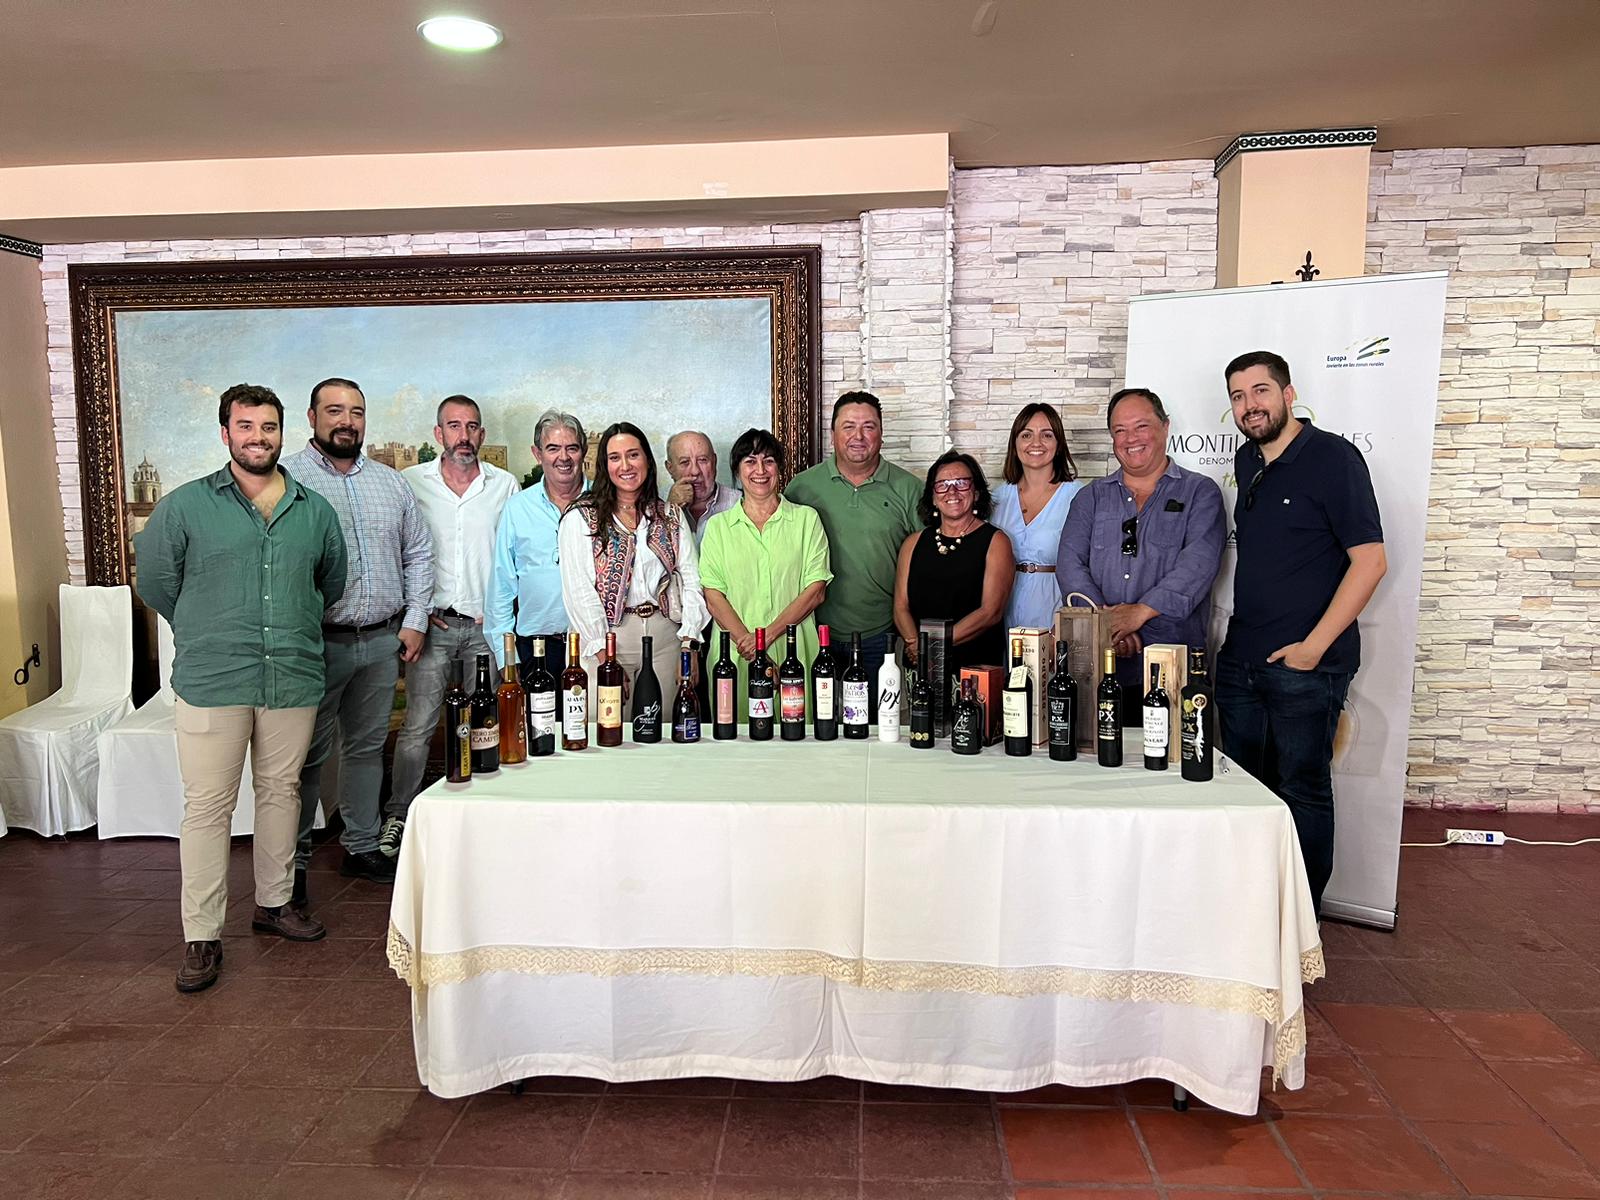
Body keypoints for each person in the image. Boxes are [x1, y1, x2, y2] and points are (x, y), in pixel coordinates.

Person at [134, 383, 347, 993]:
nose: (258, 437)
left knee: (281, 791)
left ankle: (274, 904)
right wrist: (209, 627)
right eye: (246, 426)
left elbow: (329, 583)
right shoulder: (183, 507)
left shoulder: (314, 510)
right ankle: (201, 935)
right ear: (226, 433)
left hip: (292, 675)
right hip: (213, 678)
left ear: (283, 432)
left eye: (268, 427)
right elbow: (157, 583)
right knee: (208, 807)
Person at [1217, 351, 1386, 916]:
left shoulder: (1333, 458)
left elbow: (1370, 562)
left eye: (1261, 391)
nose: (1250, 405)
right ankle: (1253, 912)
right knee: (1246, 790)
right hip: (1241, 661)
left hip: (1304, 668)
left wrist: (1312, 649)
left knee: (1303, 791)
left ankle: (1301, 925)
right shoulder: (1247, 460)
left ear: (1289, 395)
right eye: (1238, 396)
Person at [282, 377, 433, 898]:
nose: (347, 422)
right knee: (304, 757)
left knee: (367, 749)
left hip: (381, 641)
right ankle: (291, 865)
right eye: (335, 411)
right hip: (314, 645)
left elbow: (418, 552)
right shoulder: (288, 480)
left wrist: (415, 619)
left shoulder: (391, 484)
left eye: (356, 412)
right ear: (312, 417)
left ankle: (362, 844)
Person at [386, 395, 518, 855]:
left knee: (487, 721)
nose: (464, 435)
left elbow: (512, 555)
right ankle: (400, 815)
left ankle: (484, 811)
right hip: (434, 627)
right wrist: (414, 612)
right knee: (419, 726)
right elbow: (398, 551)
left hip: (487, 629)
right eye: (454, 426)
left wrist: (502, 611)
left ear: (482, 434)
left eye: (472, 426)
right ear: (438, 433)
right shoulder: (410, 483)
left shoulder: (504, 486)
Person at [1057, 388, 1226, 720]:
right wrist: (1107, 626)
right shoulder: (1091, 497)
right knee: (1098, 750)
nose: (1130, 438)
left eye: (1141, 426)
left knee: (1172, 751)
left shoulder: (1200, 493)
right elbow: (1070, 564)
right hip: (1099, 665)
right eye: (1120, 430)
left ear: (1165, 426)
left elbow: (1198, 565)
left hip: (1172, 663)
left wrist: (1140, 613)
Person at [785, 392, 921, 711]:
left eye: (868, 427)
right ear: (833, 434)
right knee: (815, 723)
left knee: (876, 726)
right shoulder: (802, 488)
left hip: (881, 633)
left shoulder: (909, 489)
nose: (858, 436)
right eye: (848, 427)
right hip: (814, 630)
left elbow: (927, 563)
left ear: (881, 434)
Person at [558, 421, 709, 697]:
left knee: (665, 721)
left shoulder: (670, 515)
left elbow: (692, 580)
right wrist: (605, 657)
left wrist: (689, 643)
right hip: (608, 639)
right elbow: (579, 591)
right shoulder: (580, 518)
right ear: (605, 466)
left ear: (647, 461)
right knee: (607, 720)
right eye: (615, 458)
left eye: (633, 455)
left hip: (666, 638)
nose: (625, 465)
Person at [699, 428, 832, 716]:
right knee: (735, 733)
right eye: (750, 461)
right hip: (734, 653)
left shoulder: (806, 520)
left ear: (779, 468)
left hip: (794, 647)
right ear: (737, 470)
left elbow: (816, 591)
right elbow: (713, 596)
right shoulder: (718, 528)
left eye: (768, 461)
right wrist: (751, 648)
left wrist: (765, 638)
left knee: (796, 731)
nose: (760, 470)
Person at [486, 409, 587, 682]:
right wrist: (507, 658)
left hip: (592, 645)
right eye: (553, 448)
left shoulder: (603, 504)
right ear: (537, 454)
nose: (563, 457)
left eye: (572, 448)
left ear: (584, 452)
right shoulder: (517, 508)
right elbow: (501, 588)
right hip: (536, 648)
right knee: (536, 713)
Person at [894, 451, 1014, 674]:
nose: (952, 491)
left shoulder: (996, 541)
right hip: (921, 664)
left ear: (976, 492)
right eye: (942, 485)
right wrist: (914, 645)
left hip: (975, 665)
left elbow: (991, 612)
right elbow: (901, 606)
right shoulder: (913, 543)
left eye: (961, 483)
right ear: (932, 496)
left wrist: (930, 645)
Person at [991, 403, 1082, 631]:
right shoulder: (997, 499)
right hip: (1004, 608)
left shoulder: (1079, 496)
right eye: (1026, 435)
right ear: (1015, 444)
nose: (1036, 443)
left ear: (1059, 444)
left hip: (1056, 609)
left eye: (1047, 435)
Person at [665, 429, 739, 543]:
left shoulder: (740, 504)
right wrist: (670, 511)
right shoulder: (656, 511)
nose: (695, 471)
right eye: (685, 462)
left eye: (702, 460)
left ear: (714, 462)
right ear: (670, 468)